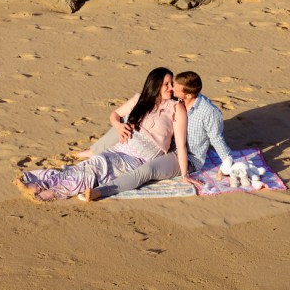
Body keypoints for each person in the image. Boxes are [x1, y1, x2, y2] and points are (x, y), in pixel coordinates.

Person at [15, 67, 191, 202]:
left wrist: (185, 175)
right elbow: (115, 115)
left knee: (98, 170)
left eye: (171, 84)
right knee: (92, 163)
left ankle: (53, 191)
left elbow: (181, 144)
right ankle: (43, 183)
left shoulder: (176, 108)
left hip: (140, 158)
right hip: (122, 147)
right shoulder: (140, 100)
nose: (171, 88)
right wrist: (119, 126)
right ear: (155, 85)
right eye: (166, 84)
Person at [80, 70, 234, 201]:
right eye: (171, 84)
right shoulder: (176, 98)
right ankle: (94, 151)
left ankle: (102, 191)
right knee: (127, 122)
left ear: (187, 95)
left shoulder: (209, 112)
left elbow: (217, 139)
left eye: (175, 87)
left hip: (188, 157)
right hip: (167, 147)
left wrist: (227, 162)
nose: (171, 89)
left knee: (148, 170)